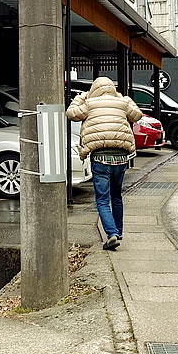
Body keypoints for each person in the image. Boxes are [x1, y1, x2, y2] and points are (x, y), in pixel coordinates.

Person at [66, 77, 142, 250]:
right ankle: (118, 232)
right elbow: (137, 115)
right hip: (121, 157)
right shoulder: (122, 103)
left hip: (100, 157)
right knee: (116, 196)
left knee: (102, 200)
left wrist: (80, 97)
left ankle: (112, 234)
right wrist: (124, 98)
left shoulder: (89, 103)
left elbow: (71, 113)